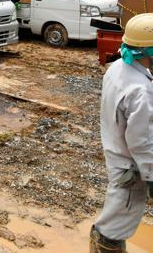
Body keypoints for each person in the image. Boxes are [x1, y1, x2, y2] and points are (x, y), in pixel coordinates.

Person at [90, 13, 153, 253]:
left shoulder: (117, 68)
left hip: (116, 153)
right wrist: (152, 176)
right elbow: (142, 142)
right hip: (131, 167)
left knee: (115, 212)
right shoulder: (141, 90)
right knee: (115, 226)